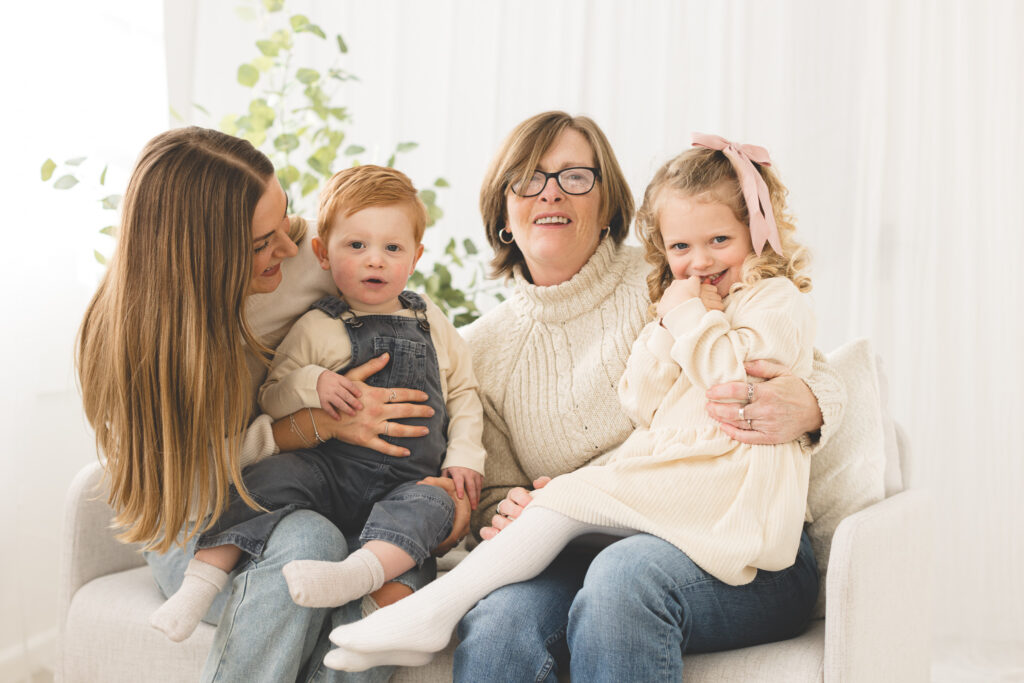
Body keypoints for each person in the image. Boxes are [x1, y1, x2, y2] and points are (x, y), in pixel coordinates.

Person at [331, 111, 840, 681]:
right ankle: (430, 614)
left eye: (575, 176)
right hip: (574, 547)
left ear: (607, 204)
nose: (551, 192)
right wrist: (510, 509)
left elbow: (804, 369)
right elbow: (497, 492)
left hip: (734, 537)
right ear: (503, 210)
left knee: (624, 575)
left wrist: (815, 406)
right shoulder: (484, 347)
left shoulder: (678, 277)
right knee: (501, 625)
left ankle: (437, 606)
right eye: (528, 177)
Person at [77, 127, 470, 682]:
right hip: (203, 521)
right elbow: (182, 486)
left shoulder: (316, 253)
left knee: (369, 562)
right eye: (263, 243)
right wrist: (315, 426)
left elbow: (417, 325)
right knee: (311, 542)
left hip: (325, 494)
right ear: (202, 257)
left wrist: (434, 489)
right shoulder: (128, 344)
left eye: (284, 219)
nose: (288, 250)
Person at [149, 164, 486, 642]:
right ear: (323, 255)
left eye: (392, 248)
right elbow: (274, 392)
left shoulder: (429, 318)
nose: (375, 261)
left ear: (416, 257)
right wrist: (317, 384)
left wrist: (465, 457)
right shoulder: (317, 325)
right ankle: (201, 581)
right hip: (328, 474)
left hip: (406, 482)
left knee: (434, 506)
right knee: (263, 479)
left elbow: (463, 392)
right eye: (356, 246)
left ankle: (360, 577)